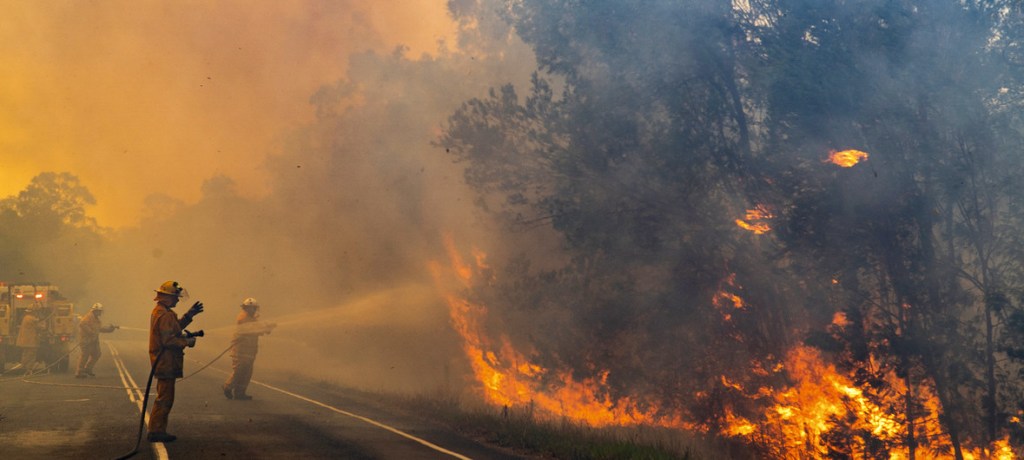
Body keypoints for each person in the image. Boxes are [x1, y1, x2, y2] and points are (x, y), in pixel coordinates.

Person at [147, 280, 203, 443]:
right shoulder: (164, 314)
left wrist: (189, 315)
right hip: (165, 361)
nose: (178, 300)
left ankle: (158, 429)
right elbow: (168, 340)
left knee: (164, 396)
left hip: (165, 360)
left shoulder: (163, 312)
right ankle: (156, 431)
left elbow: (175, 328)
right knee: (165, 398)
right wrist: (187, 342)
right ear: (167, 297)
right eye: (175, 297)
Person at [222, 297, 275, 400]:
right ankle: (227, 387)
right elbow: (253, 330)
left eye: (254, 308)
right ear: (245, 308)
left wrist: (267, 328)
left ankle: (240, 393)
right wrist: (266, 328)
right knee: (239, 371)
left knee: (247, 373)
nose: (253, 310)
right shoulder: (243, 318)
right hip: (240, 351)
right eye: (250, 308)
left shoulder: (252, 318)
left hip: (249, 351)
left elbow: (257, 329)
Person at [75, 303, 119, 378]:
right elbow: (82, 324)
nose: (100, 313)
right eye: (99, 311)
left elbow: (100, 329)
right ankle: (79, 372)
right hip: (86, 341)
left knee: (97, 354)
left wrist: (111, 329)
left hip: (93, 341)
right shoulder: (89, 317)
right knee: (85, 355)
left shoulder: (96, 319)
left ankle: (88, 369)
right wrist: (90, 332)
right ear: (95, 311)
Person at [15, 304, 46, 375]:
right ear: (33, 311)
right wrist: (43, 322)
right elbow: (40, 327)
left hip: (25, 341)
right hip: (30, 341)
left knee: (25, 354)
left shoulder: (26, 317)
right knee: (31, 355)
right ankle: (29, 369)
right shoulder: (31, 319)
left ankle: (24, 366)